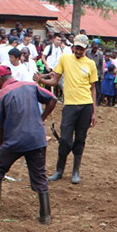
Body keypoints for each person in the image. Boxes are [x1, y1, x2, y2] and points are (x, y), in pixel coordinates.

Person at [0, 66, 57, 223]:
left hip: (15, 141)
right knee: (40, 177)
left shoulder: (0, 96)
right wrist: (41, 118)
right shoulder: (30, 85)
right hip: (37, 139)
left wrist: (0, 144)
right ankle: (46, 216)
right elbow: (53, 99)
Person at [35, 34, 98, 184]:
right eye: (77, 47)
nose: (78, 50)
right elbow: (55, 81)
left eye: (81, 49)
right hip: (69, 105)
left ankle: (76, 171)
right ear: (73, 47)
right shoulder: (65, 59)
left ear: (85, 49)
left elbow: (93, 89)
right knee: (65, 139)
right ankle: (59, 170)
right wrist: (41, 80)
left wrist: (94, 112)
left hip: (86, 106)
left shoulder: (90, 64)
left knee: (80, 139)